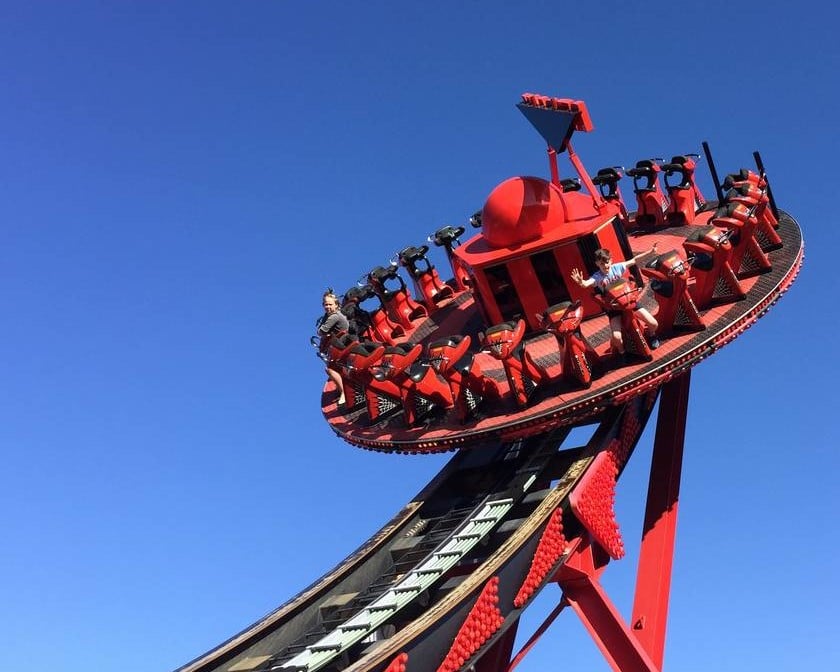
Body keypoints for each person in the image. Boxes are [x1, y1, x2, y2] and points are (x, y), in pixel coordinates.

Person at [570, 245, 660, 354]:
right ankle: (622, 353)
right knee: (616, 338)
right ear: (597, 264)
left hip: (629, 302)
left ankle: (652, 336)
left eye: (606, 262)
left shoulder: (617, 267)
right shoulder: (597, 277)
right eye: (602, 263)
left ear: (610, 261)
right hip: (614, 309)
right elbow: (586, 284)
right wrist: (581, 282)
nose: (605, 265)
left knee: (653, 324)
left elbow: (634, 260)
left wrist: (651, 251)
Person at [317, 289, 349, 405]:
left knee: (330, 369)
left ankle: (343, 392)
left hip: (342, 345)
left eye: (330, 304)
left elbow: (321, 331)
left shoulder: (334, 317)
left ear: (336, 305)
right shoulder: (331, 315)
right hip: (341, 343)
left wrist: (326, 332)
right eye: (326, 304)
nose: (328, 307)